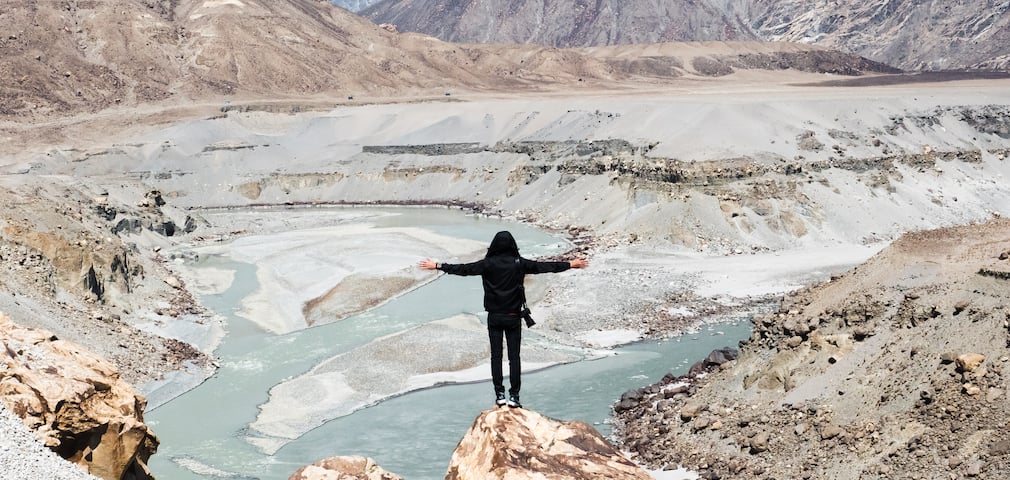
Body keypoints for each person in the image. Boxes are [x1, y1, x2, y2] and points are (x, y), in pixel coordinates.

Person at [418, 230, 588, 408]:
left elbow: (463, 269)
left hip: (494, 317)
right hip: (513, 317)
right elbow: (544, 267)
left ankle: (500, 394)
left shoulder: (487, 264)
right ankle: (514, 397)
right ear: (513, 245)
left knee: (496, 357)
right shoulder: (519, 264)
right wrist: (571, 264)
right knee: (515, 358)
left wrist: (437, 265)